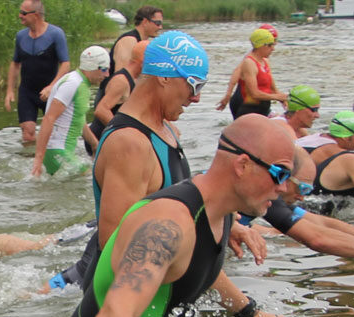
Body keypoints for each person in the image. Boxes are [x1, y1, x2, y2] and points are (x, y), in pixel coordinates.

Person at [51, 114, 295, 317]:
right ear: (243, 165)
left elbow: (197, 266)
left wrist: (251, 313)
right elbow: (115, 314)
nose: (284, 187)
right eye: (280, 173)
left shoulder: (218, 212)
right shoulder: (167, 226)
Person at [42, 31, 264, 293]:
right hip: (109, 301)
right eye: (195, 85)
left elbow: (177, 204)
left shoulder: (164, 129)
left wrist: (223, 225)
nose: (197, 98)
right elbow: (117, 245)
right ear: (164, 77)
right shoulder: (130, 143)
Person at [31, 46, 110, 177]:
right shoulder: (73, 83)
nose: (106, 74)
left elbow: (78, 120)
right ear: (91, 67)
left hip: (61, 150)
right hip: (57, 150)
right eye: (104, 69)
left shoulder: (82, 84)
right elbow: (48, 118)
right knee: (93, 178)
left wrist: (95, 144)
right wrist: (38, 159)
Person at [4, 0, 70, 143]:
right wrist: (9, 91)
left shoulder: (56, 34)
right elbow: (15, 64)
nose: (20, 16)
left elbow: (65, 64)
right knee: (28, 135)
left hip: (51, 93)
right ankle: (29, 163)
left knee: (55, 135)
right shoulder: (21, 36)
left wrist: (51, 86)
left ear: (36, 15)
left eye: (23, 13)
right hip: (27, 92)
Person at [85, 40, 149, 155]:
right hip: (100, 138)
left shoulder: (135, 79)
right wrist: (126, 134)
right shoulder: (121, 81)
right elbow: (101, 110)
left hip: (110, 137)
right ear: (143, 61)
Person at [217, 24, 278, 119]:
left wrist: (281, 98)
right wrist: (228, 95)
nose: (273, 47)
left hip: (255, 102)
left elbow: (271, 86)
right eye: (272, 43)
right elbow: (236, 72)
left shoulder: (262, 60)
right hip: (243, 100)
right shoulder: (250, 60)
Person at [234, 28, 287, 118]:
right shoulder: (249, 62)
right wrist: (277, 97)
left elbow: (273, 89)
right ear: (261, 46)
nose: (273, 49)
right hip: (249, 111)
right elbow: (254, 93)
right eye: (270, 45)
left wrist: (285, 101)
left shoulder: (265, 61)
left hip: (263, 110)